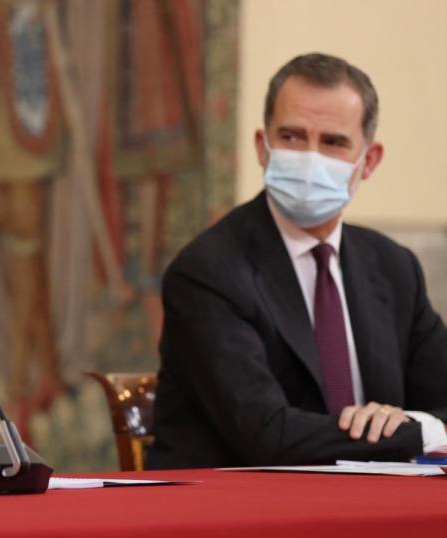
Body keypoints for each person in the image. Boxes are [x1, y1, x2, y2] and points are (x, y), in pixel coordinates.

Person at [147, 53, 447, 469]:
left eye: (333, 142)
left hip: (370, 501)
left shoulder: (394, 268)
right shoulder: (207, 271)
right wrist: (423, 432)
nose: (310, 158)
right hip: (237, 502)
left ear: (369, 160)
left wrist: (419, 424)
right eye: (291, 136)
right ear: (262, 147)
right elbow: (268, 434)